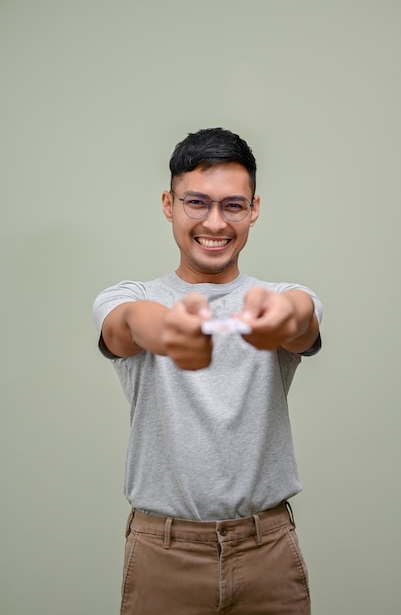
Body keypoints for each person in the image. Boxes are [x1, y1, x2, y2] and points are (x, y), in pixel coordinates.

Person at [93, 127, 323, 615]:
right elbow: (126, 328)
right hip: (163, 553)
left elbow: (302, 319)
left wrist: (284, 317)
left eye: (233, 206)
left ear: (254, 209)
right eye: (196, 202)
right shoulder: (130, 298)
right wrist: (169, 330)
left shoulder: (280, 297)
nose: (215, 223)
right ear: (168, 204)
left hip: (267, 551)